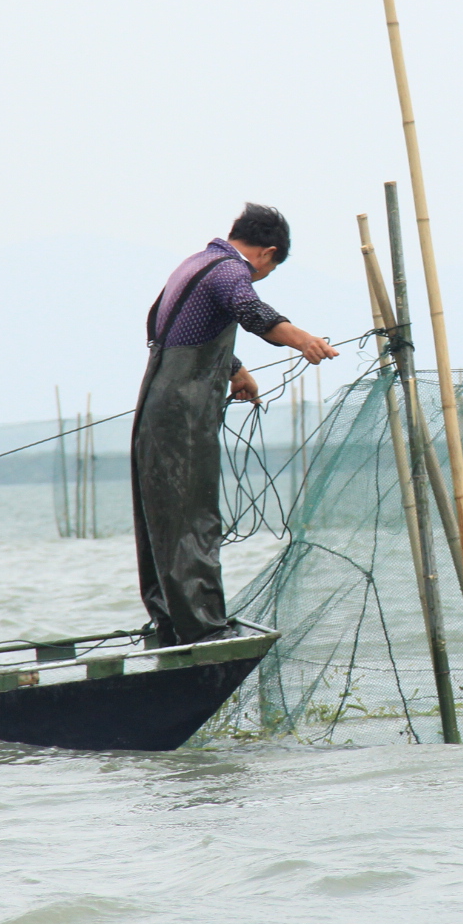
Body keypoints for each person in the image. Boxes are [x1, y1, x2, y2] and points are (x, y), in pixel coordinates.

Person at [132, 203, 337, 646]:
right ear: (267, 252)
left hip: (155, 404)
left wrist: (234, 369)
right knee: (191, 518)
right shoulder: (231, 272)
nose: (261, 275)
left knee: (162, 517)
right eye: (269, 268)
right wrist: (305, 341)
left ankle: (170, 621)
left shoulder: (194, 265)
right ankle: (203, 629)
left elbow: (177, 325)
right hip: (181, 413)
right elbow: (251, 311)